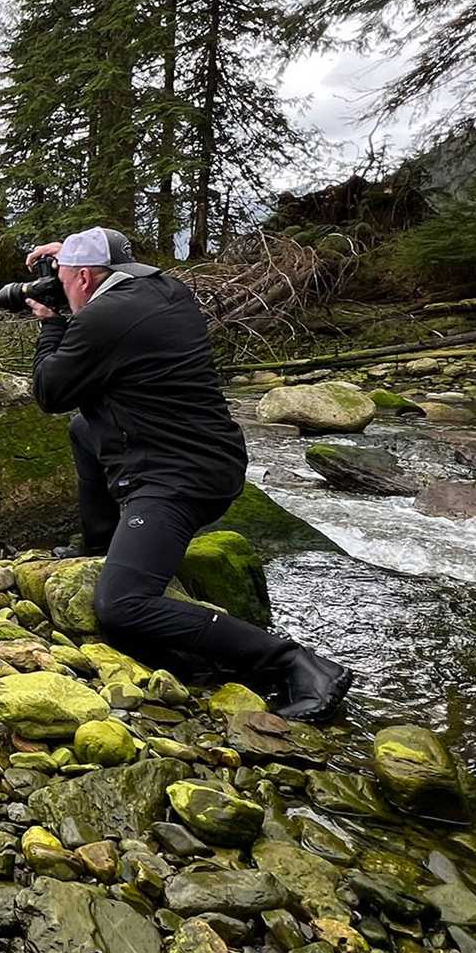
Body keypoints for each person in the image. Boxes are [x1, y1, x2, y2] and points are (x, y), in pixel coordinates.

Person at [25, 227, 352, 721]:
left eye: (67, 280)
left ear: (88, 278)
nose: (62, 288)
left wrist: (51, 320)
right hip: (210, 456)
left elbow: (49, 391)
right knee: (82, 429)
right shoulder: (164, 289)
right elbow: (102, 275)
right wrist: (68, 259)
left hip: (175, 479)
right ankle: (102, 543)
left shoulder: (105, 318)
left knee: (122, 607)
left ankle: (296, 664)